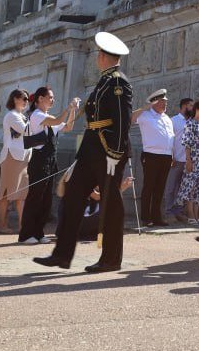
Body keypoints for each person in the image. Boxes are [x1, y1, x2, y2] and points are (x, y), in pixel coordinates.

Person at [35, 30, 133, 273]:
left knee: (110, 204)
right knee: (72, 197)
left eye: (98, 54)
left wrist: (116, 152)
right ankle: (62, 255)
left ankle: (111, 258)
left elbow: (122, 120)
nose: (96, 58)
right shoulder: (105, 81)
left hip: (108, 150)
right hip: (91, 148)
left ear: (103, 56)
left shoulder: (119, 82)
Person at [17, 85, 78, 244]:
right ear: (40, 99)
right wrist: (67, 108)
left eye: (52, 97)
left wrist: (73, 110)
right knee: (35, 198)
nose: (52, 100)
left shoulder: (47, 117)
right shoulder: (37, 115)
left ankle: (38, 233)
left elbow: (68, 126)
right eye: (50, 97)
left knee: (46, 199)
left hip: (50, 161)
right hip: (38, 161)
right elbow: (58, 120)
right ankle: (26, 234)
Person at [131, 88, 174, 227]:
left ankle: (157, 217)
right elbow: (130, 118)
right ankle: (145, 217)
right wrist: (145, 107)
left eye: (165, 102)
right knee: (149, 187)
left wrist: (171, 154)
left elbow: (170, 137)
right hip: (151, 155)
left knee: (160, 188)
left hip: (166, 156)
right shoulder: (145, 115)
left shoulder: (167, 118)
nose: (165, 104)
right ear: (154, 102)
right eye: (162, 101)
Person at [0, 89, 33, 233]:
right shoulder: (11, 115)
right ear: (15, 99)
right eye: (23, 98)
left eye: (27, 99)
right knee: (6, 193)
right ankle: (3, 225)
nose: (26, 101)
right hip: (11, 157)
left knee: (21, 194)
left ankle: (22, 225)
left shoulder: (23, 116)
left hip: (23, 158)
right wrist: (38, 118)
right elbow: (27, 131)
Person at [178, 100, 199, 222]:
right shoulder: (189, 123)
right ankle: (191, 216)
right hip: (193, 159)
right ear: (198, 108)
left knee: (198, 188)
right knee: (190, 187)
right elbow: (187, 144)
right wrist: (188, 160)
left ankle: (197, 216)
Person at [164, 97, 193, 221]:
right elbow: (168, 140)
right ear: (184, 106)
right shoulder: (173, 121)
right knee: (171, 188)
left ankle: (178, 213)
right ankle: (169, 213)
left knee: (182, 189)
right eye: (191, 106)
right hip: (175, 160)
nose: (193, 108)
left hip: (188, 161)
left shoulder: (192, 121)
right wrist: (171, 156)